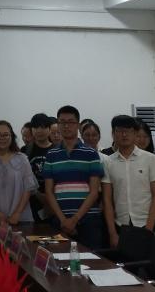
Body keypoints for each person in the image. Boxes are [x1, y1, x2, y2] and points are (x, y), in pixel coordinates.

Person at [43, 105, 105, 249]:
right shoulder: (51, 155)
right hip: (60, 220)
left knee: (92, 260)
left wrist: (74, 219)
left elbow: (94, 192)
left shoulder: (91, 154)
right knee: (60, 260)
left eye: (70, 122)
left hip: (88, 220)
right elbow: (49, 192)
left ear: (77, 124)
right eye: (62, 122)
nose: (66, 126)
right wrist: (64, 220)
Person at [102, 114, 155, 248]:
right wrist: (112, 233)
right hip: (121, 224)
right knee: (124, 261)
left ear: (135, 133)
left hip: (148, 223)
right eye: (119, 131)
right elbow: (107, 200)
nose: (124, 134)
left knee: (150, 261)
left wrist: (148, 230)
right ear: (113, 134)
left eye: (128, 131)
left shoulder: (151, 159)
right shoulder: (108, 162)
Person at [0, 121, 37, 226]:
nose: (2, 138)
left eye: (6, 135)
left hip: (20, 218)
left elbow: (28, 189)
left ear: (12, 137)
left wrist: (17, 213)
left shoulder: (22, 159)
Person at [25, 113, 55, 222]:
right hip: (31, 201)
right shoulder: (25, 150)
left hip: (54, 201)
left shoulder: (57, 150)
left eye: (43, 127)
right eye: (36, 127)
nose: (39, 131)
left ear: (49, 129)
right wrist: (38, 195)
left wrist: (49, 198)